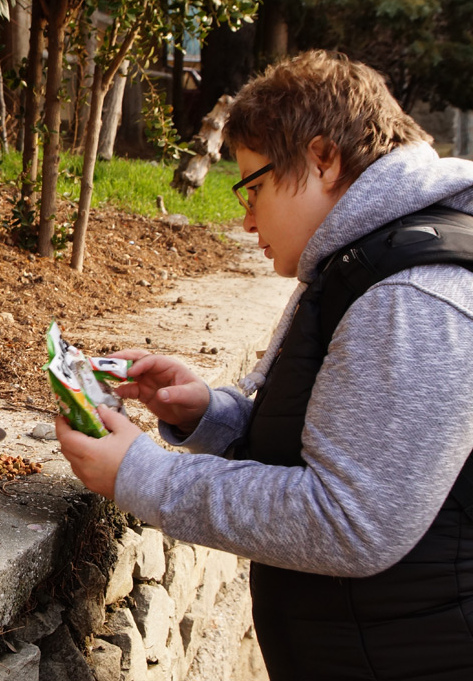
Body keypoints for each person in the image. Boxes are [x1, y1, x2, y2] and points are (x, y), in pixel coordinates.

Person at [55, 50, 473, 680]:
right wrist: (208, 415)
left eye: (252, 185)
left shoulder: (412, 295)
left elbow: (350, 521)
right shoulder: (376, 256)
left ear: (323, 158)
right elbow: (338, 435)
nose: (246, 219)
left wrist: (142, 476)